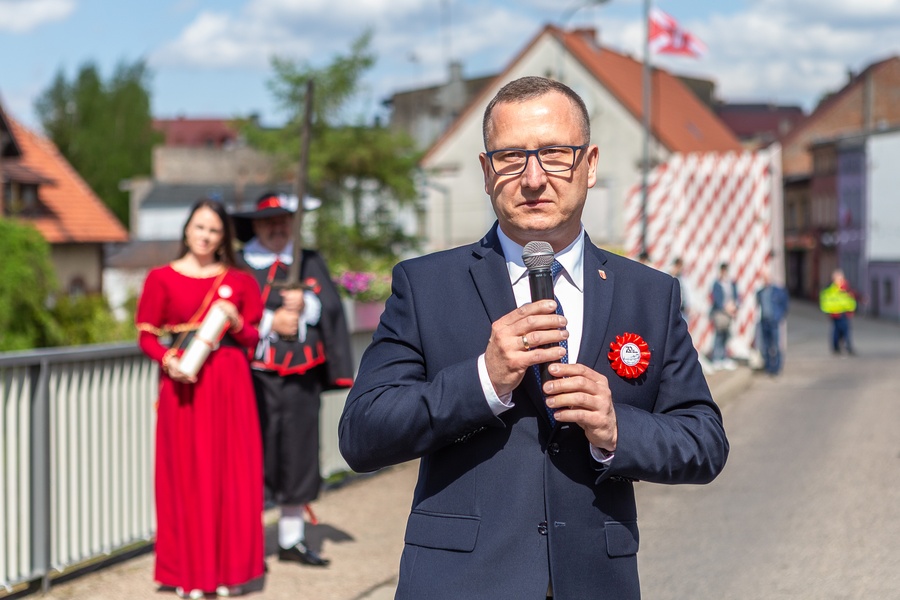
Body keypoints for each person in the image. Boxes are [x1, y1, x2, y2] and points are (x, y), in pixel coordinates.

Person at [339, 76, 728, 599]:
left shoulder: (649, 295)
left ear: (589, 164)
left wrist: (616, 428)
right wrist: (483, 380)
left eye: (554, 154)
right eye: (511, 158)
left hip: (595, 583)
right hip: (461, 584)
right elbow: (362, 435)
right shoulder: (426, 286)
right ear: (485, 171)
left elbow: (704, 442)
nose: (533, 178)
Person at [135, 199, 264, 599]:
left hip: (229, 384)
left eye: (213, 229)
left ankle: (228, 571)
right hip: (183, 386)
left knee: (230, 474)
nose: (205, 235)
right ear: (187, 230)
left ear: (223, 236)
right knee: (186, 474)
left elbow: (253, 338)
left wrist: (237, 320)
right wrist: (169, 359)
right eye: (199, 227)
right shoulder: (160, 278)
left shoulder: (241, 280)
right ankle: (189, 573)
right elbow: (146, 336)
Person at [231, 192, 354, 568]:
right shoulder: (239, 265)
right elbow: (232, 313)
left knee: (299, 455)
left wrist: (307, 304)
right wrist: (272, 318)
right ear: (255, 225)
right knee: (251, 456)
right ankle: (246, 545)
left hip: (302, 375)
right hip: (253, 377)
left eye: (284, 221)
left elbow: (331, 308)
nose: (277, 228)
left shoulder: (309, 260)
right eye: (269, 222)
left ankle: (291, 539)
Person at [755, 269, 789, 375]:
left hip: (774, 321)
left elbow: (784, 304)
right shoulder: (760, 292)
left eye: (767, 278)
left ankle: (777, 367)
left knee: (776, 345)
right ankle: (768, 367)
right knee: (766, 346)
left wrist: (779, 316)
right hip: (764, 321)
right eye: (764, 279)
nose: (766, 280)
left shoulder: (777, 291)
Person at [819, 268, 857, 355]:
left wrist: (852, 309)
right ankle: (839, 347)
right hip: (836, 313)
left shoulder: (846, 287)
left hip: (845, 313)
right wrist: (829, 311)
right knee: (838, 331)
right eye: (837, 278)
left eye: (840, 278)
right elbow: (825, 301)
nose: (839, 280)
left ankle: (846, 346)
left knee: (845, 330)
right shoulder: (831, 289)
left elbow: (851, 298)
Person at [709, 262, 739, 370]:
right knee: (719, 336)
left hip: (729, 313)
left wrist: (734, 307)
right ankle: (717, 358)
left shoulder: (732, 283)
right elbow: (716, 299)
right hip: (720, 313)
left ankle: (724, 358)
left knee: (726, 336)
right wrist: (726, 307)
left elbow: (736, 297)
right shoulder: (717, 284)